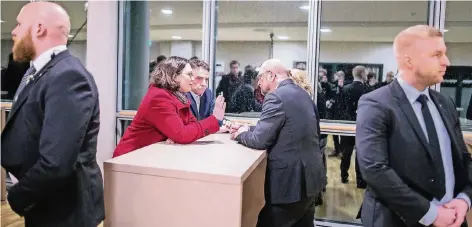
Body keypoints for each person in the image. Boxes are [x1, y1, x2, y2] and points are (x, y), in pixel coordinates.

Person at [356, 25, 472, 227]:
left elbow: (462, 160)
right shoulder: (376, 103)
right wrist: (431, 213)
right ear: (409, 60)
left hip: (453, 218)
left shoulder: (445, 103)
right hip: (398, 220)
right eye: (437, 54)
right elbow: (375, 169)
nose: (446, 62)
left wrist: (464, 199)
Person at [1, 2, 105, 226]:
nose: (14, 31)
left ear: (38, 28)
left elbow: (56, 162)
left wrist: (18, 194)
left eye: (19, 24)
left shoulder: (67, 76)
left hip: (63, 210)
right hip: (46, 201)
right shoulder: (42, 72)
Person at [231, 59, 326, 227]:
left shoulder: (276, 97)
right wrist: (250, 131)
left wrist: (240, 134)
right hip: (311, 181)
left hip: (290, 185)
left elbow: (259, 140)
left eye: (260, 77)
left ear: (271, 75)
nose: (258, 83)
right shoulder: (303, 94)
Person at [113, 56, 226, 158]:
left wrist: (177, 135)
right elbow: (183, 134)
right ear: (174, 77)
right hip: (130, 157)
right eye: (189, 75)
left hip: (149, 155)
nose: (192, 79)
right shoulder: (159, 97)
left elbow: (190, 126)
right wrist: (214, 120)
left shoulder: (178, 95)